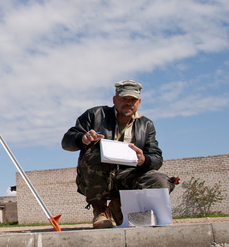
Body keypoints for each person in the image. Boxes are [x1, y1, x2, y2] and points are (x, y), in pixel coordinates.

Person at [61, 80, 177, 228]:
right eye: (124, 99)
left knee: (160, 180)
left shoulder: (146, 125)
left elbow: (156, 158)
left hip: (128, 177)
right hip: (97, 179)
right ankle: (100, 210)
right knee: (97, 152)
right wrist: (82, 138)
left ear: (139, 102)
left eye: (132, 100)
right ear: (115, 100)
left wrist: (144, 159)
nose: (128, 103)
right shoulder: (95, 115)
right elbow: (66, 141)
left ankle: (123, 207)